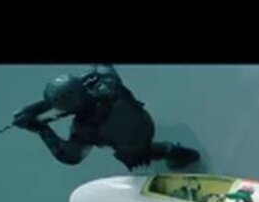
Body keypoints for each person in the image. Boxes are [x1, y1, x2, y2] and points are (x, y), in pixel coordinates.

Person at [11, 64, 200, 171]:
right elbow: (97, 71)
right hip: (143, 121)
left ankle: (180, 154)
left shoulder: (84, 129)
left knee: (140, 154)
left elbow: (69, 157)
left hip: (132, 145)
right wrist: (35, 110)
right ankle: (178, 153)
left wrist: (40, 128)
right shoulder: (107, 82)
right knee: (138, 139)